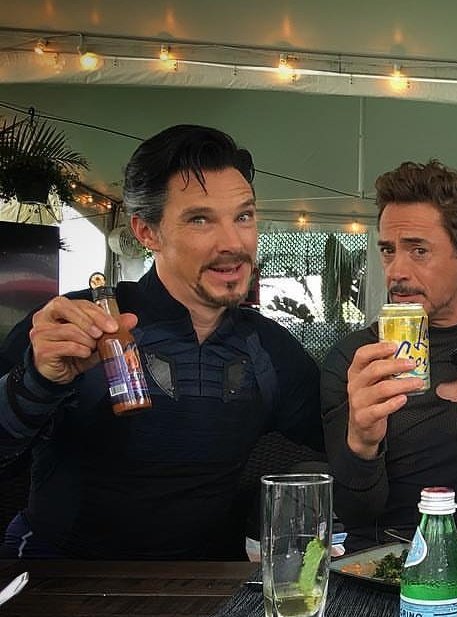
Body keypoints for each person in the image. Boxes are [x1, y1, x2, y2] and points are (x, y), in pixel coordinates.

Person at [0, 125, 323, 559]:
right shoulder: (76, 325)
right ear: (146, 232)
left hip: (208, 585)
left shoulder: (270, 348)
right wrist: (38, 381)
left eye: (243, 217)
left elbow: (342, 446)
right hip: (63, 577)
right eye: (200, 219)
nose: (233, 243)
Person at [321, 160, 457, 548]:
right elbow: (354, 514)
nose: (396, 271)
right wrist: (361, 443)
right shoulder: (356, 360)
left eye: (418, 251)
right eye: (388, 251)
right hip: (383, 567)